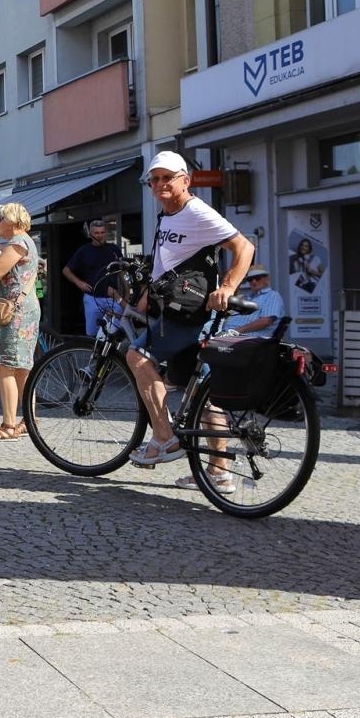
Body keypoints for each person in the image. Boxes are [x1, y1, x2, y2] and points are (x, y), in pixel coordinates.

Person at [123, 151, 254, 492]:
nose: (161, 184)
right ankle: (219, 473)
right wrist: (147, 292)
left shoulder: (196, 211)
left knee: (137, 357)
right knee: (202, 396)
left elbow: (244, 247)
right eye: (155, 179)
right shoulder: (167, 214)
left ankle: (165, 438)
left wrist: (227, 287)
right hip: (175, 308)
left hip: (188, 313)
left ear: (186, 179)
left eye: (168, 177)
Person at [0, 201, 41, 441]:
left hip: (16, 311)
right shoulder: (28, 242)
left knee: (5, 366)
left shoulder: (17, 244)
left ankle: (8, 424)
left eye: (0, 219)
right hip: (24, 308)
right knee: (22, 368)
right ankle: (29, 421)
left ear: (13, 221)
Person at [62, 217, 122, 336]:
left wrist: (124, 295)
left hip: (113, 297)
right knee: (92, 333)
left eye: (102, 232)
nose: (100, 235)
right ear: (91, 234)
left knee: (116, 332)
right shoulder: (84, 250)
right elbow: (66, 270)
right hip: (92, 297)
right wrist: (79, 283)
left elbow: (121, 272)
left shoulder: (113, 249)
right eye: (96, 233)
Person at [221, 265, 284, 335]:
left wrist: (236, 331)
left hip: (245, 338)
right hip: (227, 333)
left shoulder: (272, 295)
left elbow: (266, 321)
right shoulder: (246, 297)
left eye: (257, 278)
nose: (254, 282)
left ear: (267, 279)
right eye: (250, 279)